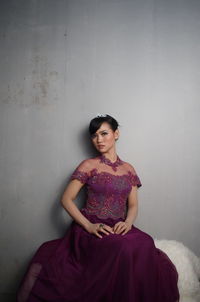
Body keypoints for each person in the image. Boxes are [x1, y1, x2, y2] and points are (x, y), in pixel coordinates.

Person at [17, 114, 180, 302]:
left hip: (119, 225)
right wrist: (90, 226)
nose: (99, 140)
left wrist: (127, 223)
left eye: (104, 134)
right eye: (94, 136)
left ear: (116, 134)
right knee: (121, 247)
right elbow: (66, 199)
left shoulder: (129, 170)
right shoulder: (89, 165)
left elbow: (133, 205)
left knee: (146, 242)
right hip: (90, 228)